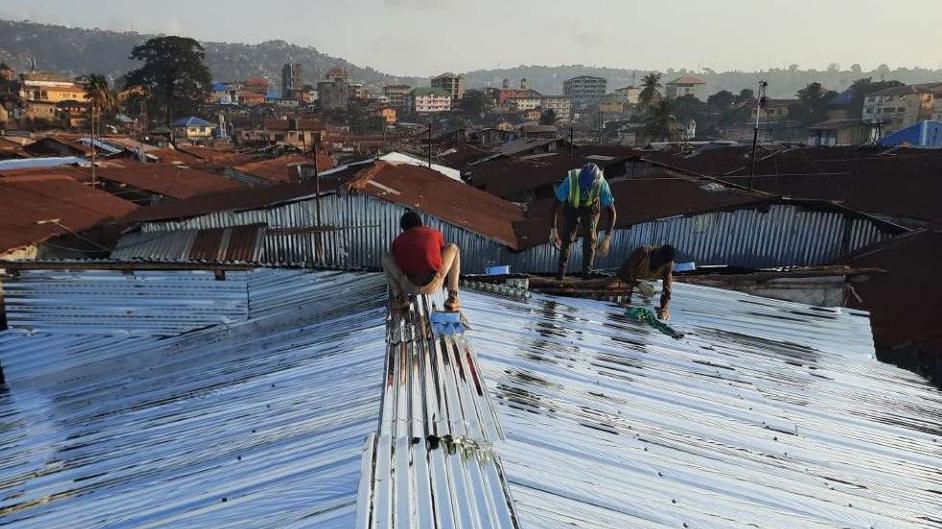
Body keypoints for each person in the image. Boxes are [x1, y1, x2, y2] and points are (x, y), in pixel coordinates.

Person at [382, 211, 461, 312]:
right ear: (420, 223)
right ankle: (452, 296)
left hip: (409, 286)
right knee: (453, 247)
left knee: (386, 256)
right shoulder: (434, 233)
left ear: (403, 228)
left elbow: (396, 261)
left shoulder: (398, 241)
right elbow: (442, 252)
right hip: (434, 284)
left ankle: (400, 298)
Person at [550, 163, 617, 280]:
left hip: (591, 208)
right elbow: (555, 205)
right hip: (572, 206)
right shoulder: (570, 181)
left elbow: (612, 212)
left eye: (588, 187)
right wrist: (553, 230)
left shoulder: (602, 184)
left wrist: (607, 237)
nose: (585, 189)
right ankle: (560, 276)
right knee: (566, 239)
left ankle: (586, 276)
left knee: (590, 240)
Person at [616, 244, 676, 320]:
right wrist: (639, 284)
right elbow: (620, 273)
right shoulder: (642, 253)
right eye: (659, 261)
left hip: (640, 288)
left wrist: (664, 309)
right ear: (657, 252)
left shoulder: (667, 264)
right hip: (624, 282)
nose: (659, 265)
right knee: (619, 312)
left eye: (662, 263)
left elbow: (667, 289)